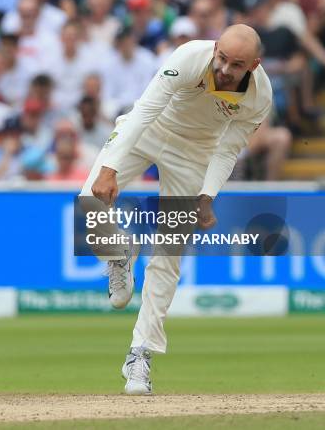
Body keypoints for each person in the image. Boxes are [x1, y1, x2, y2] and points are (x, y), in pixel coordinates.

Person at [79, 25, 272, 395]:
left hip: (194, 155)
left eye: (237, 65)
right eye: (223, 58)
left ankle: (140, 356)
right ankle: (118, 254)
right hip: (151, 129)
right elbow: (145, 109)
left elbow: (229, 147)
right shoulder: (188, 56)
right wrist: (109, 169)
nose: (226, 70)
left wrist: (208, 195)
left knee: (168, 254)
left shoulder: (259, 96)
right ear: (215, 48)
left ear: (255, 64)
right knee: (89, 200)